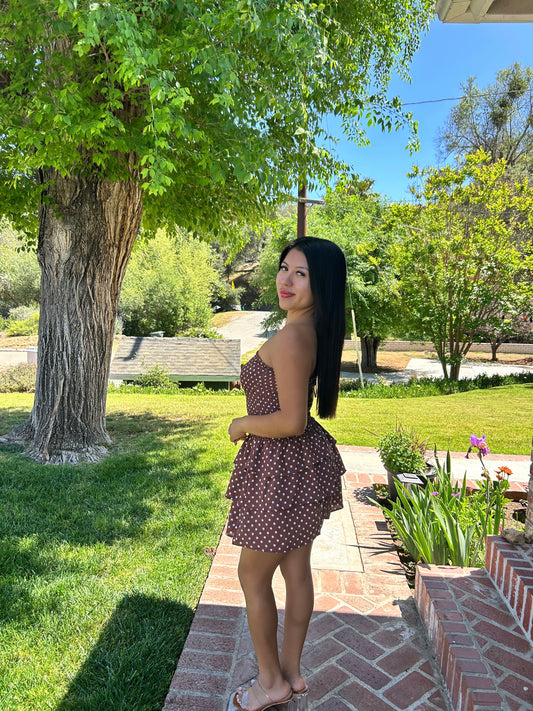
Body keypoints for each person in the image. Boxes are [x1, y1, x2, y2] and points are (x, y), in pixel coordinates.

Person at [226, 236, 347, 711]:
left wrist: (241, 424)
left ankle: (270, 683)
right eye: (284, 267)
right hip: (297, 466)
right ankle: (292, 673)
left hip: (280, 467)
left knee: (252, 577)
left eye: (301, 273)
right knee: (296, 569)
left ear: (323, 285)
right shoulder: (308, 330)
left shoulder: (294, 337)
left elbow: (291, 421)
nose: (286, 279)